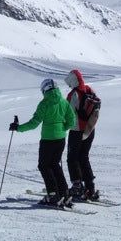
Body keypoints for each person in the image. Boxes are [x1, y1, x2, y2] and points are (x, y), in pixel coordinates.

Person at [10, 77, 76, 207]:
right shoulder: (63, 102)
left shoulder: (44, 103)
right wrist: (62, 128)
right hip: (61, 139)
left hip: (48, 140)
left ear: (44, 90)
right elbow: (72, 121)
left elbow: (34, 123)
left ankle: (53, 195)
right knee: (55, 165)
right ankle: (65, 194)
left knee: (44, 166)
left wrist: (18, 128)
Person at [64, 69, 101, 201]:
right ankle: (90, 188)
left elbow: (67, 113)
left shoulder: (73, 94)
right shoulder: (89, 89)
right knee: (84, 157)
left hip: (76, 130)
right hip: (90, 130)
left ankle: (77, 186)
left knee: (72, 158)